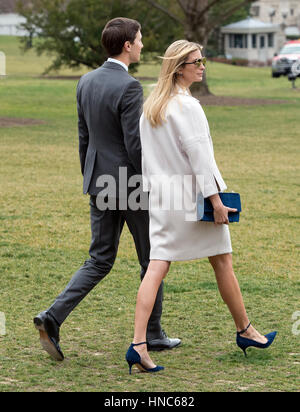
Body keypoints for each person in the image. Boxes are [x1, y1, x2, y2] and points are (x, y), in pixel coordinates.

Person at [33, 18, 180, 362]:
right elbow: (135, 145)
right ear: (127, 45)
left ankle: (52, 317)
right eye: (140, 40)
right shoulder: (130, 87)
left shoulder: (85, 81)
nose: (142, 45)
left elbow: (84, 138)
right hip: (131, 186)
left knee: (99, 259)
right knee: (152, 259)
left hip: (99, 183)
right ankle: (153, 334)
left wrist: (91, 177)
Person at [125, 40, 276, 374]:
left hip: (163, 200)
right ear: (180, 68)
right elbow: (199, 158)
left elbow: (147, 159)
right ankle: (246, 330)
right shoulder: (187, 107)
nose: (203, 65)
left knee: (158, 266)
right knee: (222, 261)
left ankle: (139, 344)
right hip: (193, 201)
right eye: (197, 61)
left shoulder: (153, 105)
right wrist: (216, 201)